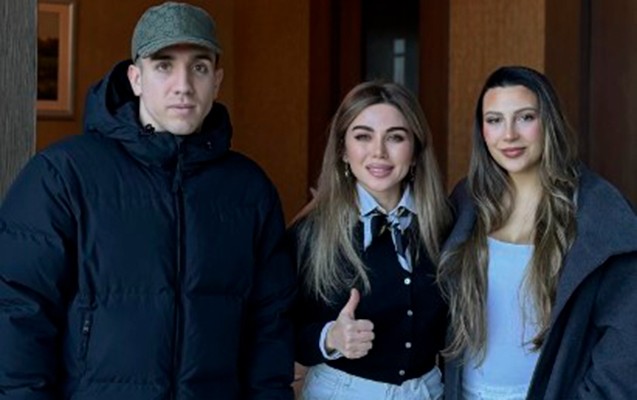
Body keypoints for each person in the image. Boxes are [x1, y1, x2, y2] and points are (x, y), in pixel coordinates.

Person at [0, 2, 296, 399]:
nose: (183, 85)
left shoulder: (249, 190)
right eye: (164, 65)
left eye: (199, 67)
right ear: (136, 78)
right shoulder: (63, 175)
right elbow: (18, 310)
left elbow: (270, 326)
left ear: (217, 80)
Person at [437, 65, 637, 399]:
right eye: (494, 120)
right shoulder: (466, 202)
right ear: (482, 131)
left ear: (549, 123)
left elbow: (628, 341)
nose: (509, 135)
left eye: (525, 117)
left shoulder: (600, 213)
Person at [289, 81, 452, 399]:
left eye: (395, 137)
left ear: (416, 151)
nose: (379, 152)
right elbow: (275, 331)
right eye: (363, 136)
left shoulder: (445, 224)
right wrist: (330, 338)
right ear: (343, 150)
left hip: (428, 390)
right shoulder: (310, 232)